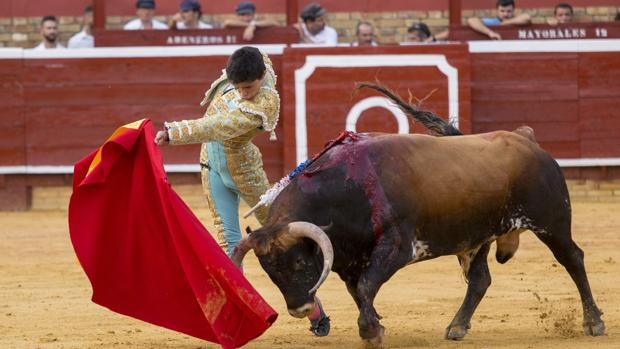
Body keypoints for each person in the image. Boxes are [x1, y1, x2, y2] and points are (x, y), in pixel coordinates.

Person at [154, 46, 330, 337]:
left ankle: (313, 309)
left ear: (260, 78)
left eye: (248, 88)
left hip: (246, 174)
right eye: (237, 87)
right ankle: (238, 319)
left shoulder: (266, 102)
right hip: (210, 166)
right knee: (229, 246)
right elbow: (252, 57)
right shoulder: (240, 69)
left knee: (280, 238)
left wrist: (176, 132)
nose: (243, 93)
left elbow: (221, 125)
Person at [466, 0, 531, 40]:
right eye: (502, 11)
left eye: (509, 11)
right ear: (497, 11)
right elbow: (471, 20)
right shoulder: (492, 22)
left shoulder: (517, 20)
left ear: (513, 11)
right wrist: (489, 32)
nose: (505, 14)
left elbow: (527, 18)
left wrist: (506, 22)